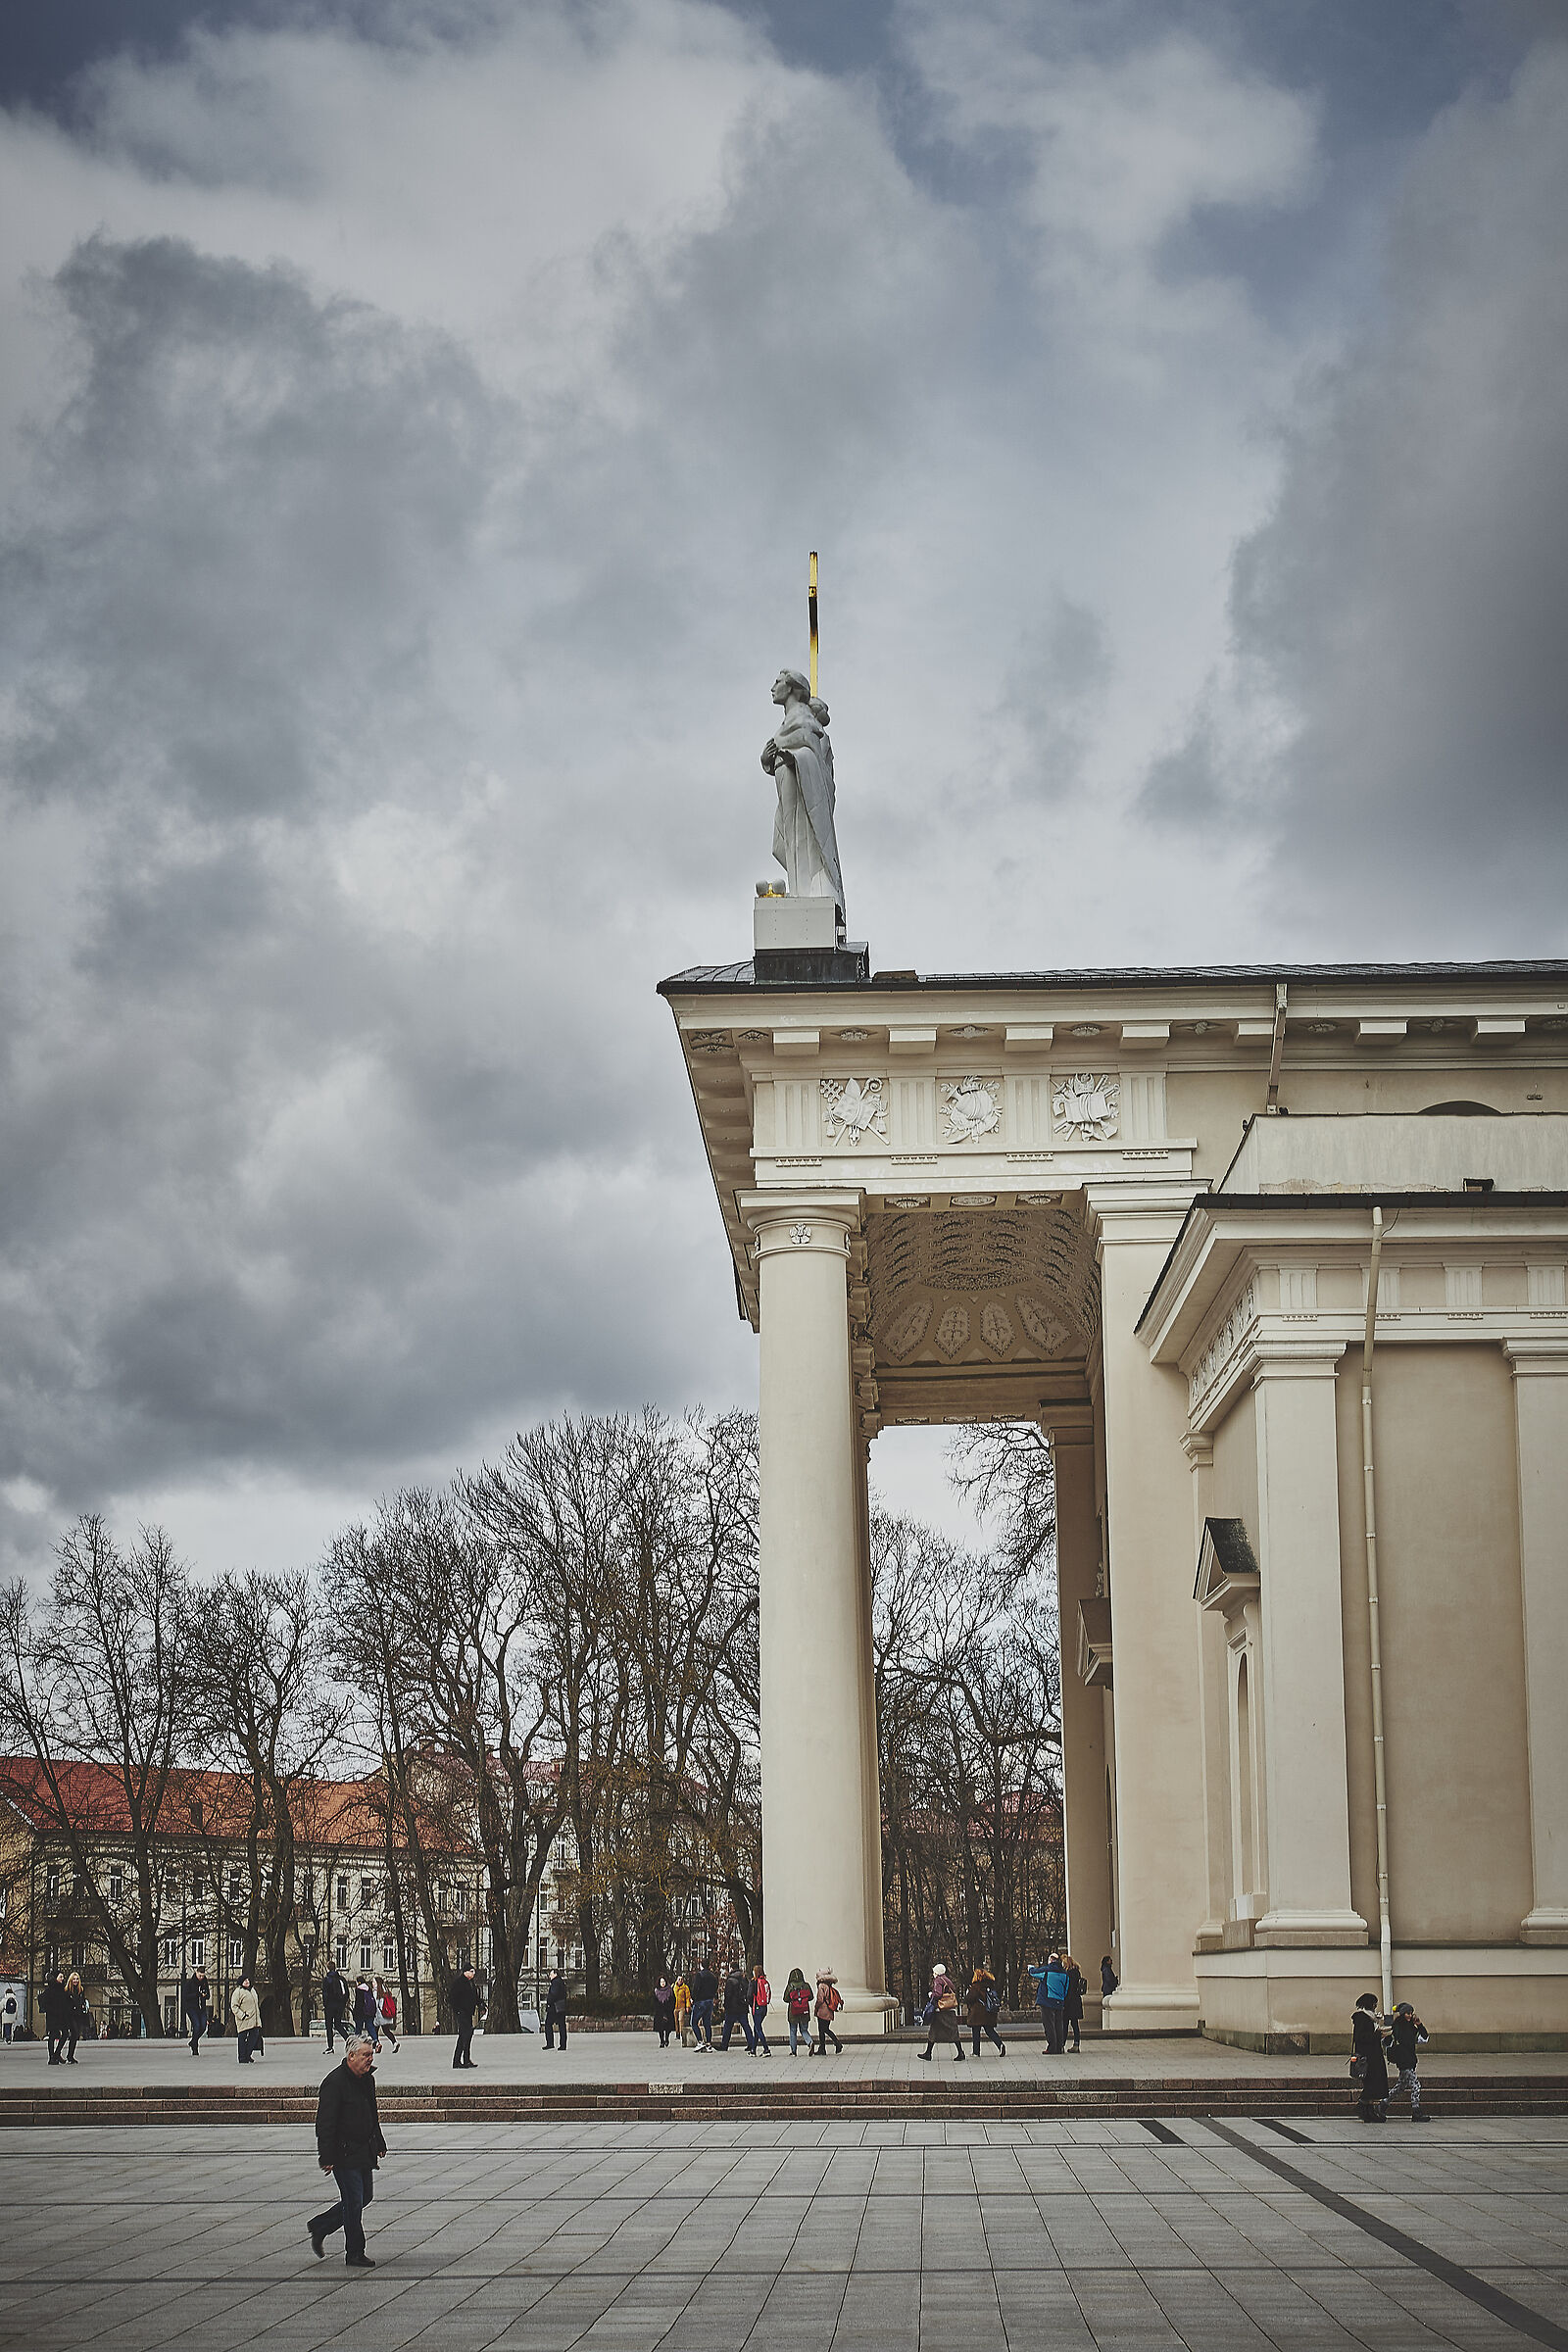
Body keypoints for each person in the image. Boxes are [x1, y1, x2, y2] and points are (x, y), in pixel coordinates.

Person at [307, 2032, 386, 2270]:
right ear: (351, 2056)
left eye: (371, 2055)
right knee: (353, 2202)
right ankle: (355, 2252)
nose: (369, 2059)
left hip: (363, 2149)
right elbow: (325, 2122)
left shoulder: (367, 2079)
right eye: (365, 2055)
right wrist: (326, 2155)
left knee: (364, 2197)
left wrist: (379, 2141)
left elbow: (372, 2113)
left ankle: (321, 2226)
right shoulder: (335, 2082)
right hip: (343, 2153)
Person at [1387, 2000, 1431, 2122]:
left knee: (1400, 2087)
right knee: (1416, 2085)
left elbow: (1424, 2039)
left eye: (1411, 2013)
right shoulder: (1398, 2028)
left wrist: (1419, 2025)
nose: (1410, 2016)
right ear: (1402, 2014)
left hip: (1409, 2060)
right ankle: (1416, 2112)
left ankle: (1382, 2105)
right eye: (1407, 2013)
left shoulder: (1411, 2028)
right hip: (1404, 2060)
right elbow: (1390, 2042)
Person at [1351, 1991, 1390, 2123]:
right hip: (1368, 2057)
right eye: (1374, 2003)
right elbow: (1360, 2037)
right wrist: (1377, 2035)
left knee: (1374, 2083)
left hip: (1374, 2055)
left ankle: (1369, 2110)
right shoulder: (1362, 2018)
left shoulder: (1370, 2018)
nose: (1375, 2006)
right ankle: (1363, 2107)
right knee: (1372, 2084)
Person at [919, 1966, 965, 2063]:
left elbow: (938, 1994)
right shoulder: (947, 1980)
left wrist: (931, 1995)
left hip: (941, 2010)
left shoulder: (938, 1980)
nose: (933, 1974)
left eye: (934, 1972)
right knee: (951, 2031)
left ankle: (928, 2053)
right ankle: (960, 2052)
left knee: (934, 2031)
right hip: (950, 2009)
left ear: (937, 1972)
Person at [966, 1965, 1005, 2058]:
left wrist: (968, 1992)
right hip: (989, 2012)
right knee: (989, 2030)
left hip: (977, 2013)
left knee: (976, 2031)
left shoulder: (976, 1986)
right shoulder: (991, 1985)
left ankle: (976, 2052)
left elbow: (969, 1999)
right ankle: (1000, 2044)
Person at [450, 1966, 484, 2068]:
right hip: (462, 2013)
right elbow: (452, 1998)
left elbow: (475, 1997)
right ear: (465, 1972)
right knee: (465, 2035)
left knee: (466, 2036)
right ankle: (457, 2061)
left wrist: (481, 2004)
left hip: (468, 2013)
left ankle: (465, 2060)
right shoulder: (459, 1983)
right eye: (471, 1971)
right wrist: (457, 2010)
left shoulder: (471, 1983)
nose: (473, 1973)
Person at [719, 1964, 756, 2052]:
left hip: (732, 2007)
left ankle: (724, 2045)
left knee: (728, 2027)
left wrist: (726, 2006)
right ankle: (751, 2044)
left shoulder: (730, 1980)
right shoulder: (744, 1978)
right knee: (746, 2026)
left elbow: (728, 1995)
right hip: (742, 2006)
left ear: (731, 1968)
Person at [40, 1971, 71, 2065]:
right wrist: (53, 2010)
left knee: (65, 2033)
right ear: (55, 1978)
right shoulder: (50, 1990)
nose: (62, 1978)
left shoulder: (62, 1989)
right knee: (53, 2035)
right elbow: (45, 2003)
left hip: (62, 2016)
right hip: (53, 2016)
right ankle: (51, 2057)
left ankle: (57, 2053)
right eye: (60, 1977)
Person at [231, 1975, 263, 2064]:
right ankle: (242, 2057)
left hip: (254, 2019)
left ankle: (248, 2054)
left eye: (248, 1980)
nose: (247, 1982)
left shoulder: (252, 1990)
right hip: (244, 2019)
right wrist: (242, 2015)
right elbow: (234, 2006)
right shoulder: (238, 1992)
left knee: (254, 2036)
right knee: (242, 2037)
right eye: (245, 1981)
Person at [689, 1958, 718, 2051]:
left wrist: (693, 1998)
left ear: (701, 1965)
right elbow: (716, 1987)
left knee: (694, 2022)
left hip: (700, 2001)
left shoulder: (699, 1975)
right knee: (707, 2023)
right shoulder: (713, 1976)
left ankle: (700, 2041)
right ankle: (708, 2044)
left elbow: (696, 1988)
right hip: (709, 2001)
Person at [813, 1968, 844, 2056]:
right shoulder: (829, 1985)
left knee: (822, 2029)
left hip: (822, 2010)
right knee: (825, 2029)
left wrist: (816, 2008)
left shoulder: (821, 1986)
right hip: (829, 2010)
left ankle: (834, 2044)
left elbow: (820, 1999)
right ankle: (823, 2047)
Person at [180, 1967, 209, 2057]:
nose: (201, 1978)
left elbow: (208, 1995)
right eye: (200, 1976)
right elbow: (185, 1996)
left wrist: (205, 1995)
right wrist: (197, 1994)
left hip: (201, 2008)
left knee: (203, 2027)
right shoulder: (190, 1983)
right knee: (196, 2026)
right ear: (196, 1973)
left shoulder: (204, 1982)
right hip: (192, 2007)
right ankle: (195, 2048)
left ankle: (193, 2041)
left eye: (203, 1976)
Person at [784, 1968, 813, 2055]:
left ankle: (793, 2051)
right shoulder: (806, 1985)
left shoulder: (790, 1986)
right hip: (804, 2011)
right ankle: (810, 2042)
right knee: (804, 2030)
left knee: (793, 2031)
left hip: (793, 2012)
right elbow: (811, 1997)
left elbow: (785, 1999)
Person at [320, 1962, 348, 2053]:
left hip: (330, 2005)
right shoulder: (341, 1979)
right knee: (338, 2024)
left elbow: (325, 1993)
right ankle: (348, 2040)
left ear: (328, 1968)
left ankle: (330, 2047)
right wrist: (343, 2003)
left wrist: (325, 2004)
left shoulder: (327, 1979)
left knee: (329, 2026)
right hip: (339, 2005)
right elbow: (346, 1993)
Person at [63, 1970, 88, 2062]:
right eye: (74, 1979)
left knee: (75, 2035)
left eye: (77, 1979)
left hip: (78, 2014)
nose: (76, 1981)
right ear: (71, 1980)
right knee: (74, 2032)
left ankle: (70, 2055)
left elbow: (82, 2000)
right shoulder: (67, 1990)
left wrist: (83, 2006)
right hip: (70, 2015)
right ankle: (69, 2056)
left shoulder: (81, 1990)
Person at [1062, 1954, 1085, 2053]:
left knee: (1065, 2024)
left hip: (1069, 2002)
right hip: (1076, 2001)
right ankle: (1076, 2044)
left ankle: (1062, 2044)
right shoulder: (1077, 1972)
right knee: (1075, 2024)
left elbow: (1068, 1989)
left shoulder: (1068, 1974)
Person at [542, 1968, 569, 2051]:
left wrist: (549, 2001)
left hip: (554, 2007)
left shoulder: (555, 1983)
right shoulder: (561, 1982)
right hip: (561, 2006)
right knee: (562, 2025)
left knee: (548, 2024)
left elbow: (554, 1994)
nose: (549, 1976)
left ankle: (550, 2043)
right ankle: (563, 2045)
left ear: (555, 1974)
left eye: (551, 1974)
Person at [353, 1975, 379, 2049]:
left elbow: (358, 2003)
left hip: (361, 2012)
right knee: (370, 2027)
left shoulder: (359, 1990)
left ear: (358, 1982)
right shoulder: (368, 1989)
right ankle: (376, 2041)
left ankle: (356, 2044)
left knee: (358, 2028)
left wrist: (355, 2012)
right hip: (369, 2012)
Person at [751, 1964, 772, 2056]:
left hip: (757, 2007)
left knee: (758, 2028)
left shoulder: (754, 1982)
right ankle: (753, 2050)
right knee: (756, 2027)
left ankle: (766, 2049)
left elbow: (749, 1995)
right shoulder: (765, 1981)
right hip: (764, 2007)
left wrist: (750, 2003)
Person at [653, 1976, 676, 2049]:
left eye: (664, 1982)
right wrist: (658, 2008)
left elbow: (673, 2000)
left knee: (668, 2027)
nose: (663, 1983)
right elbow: (654, 2001)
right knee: (660, 2028)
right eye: (661, 1982)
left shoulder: (670, 1990)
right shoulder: (656, 1991)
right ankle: (662, 2041)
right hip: (659, 2012)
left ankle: (667, 2038)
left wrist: (670, 2007)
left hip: (668, 2011)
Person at [376, 1979, 399, 2052]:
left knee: (374, 2031)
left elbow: (377, 2004)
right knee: (386, 2031)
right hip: (386, 2015)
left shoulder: (378, 1992)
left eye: (374, 1982)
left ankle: (377, 2045)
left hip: (380, 2015)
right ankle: (394, 2042)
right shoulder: (386, 1991)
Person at [673, 1972, 692, 2048]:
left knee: (681, 2020)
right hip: (675, 2007)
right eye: (679, 1979)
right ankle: (677, 2033)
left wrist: (688, 2006)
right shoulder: (674, 1987)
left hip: (682, 2007)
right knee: (676, 2021)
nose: (680, 1980)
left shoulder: (685, 1988)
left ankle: (681, 2033)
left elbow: (687, 1998)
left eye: (681, 1979)